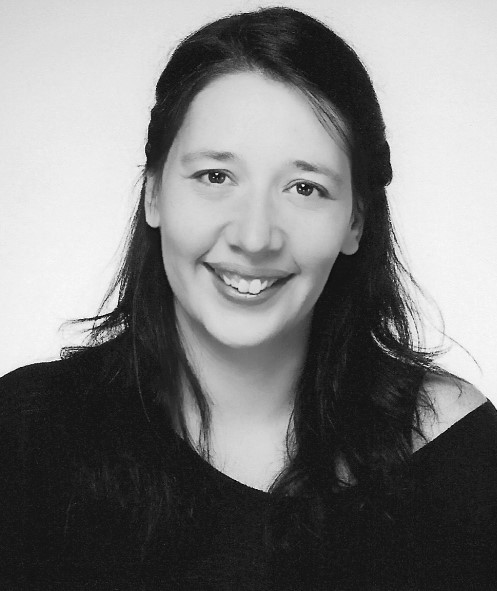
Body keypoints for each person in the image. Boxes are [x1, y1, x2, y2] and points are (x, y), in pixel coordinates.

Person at [1, 6, 495, 590]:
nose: (255, 237)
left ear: (355, 221)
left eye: (305, 187)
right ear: (154, 193)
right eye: (215, 176)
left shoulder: (449, 449)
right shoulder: (28, 434)